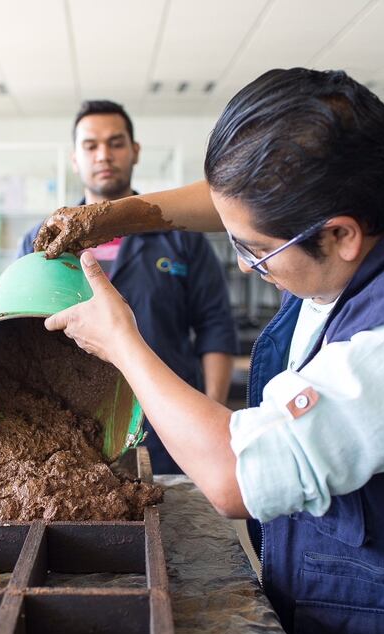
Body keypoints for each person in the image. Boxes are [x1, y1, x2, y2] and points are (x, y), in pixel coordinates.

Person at [37, 68, 384, 634]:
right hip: (347, 603)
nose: (250, 267)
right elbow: (240, 202)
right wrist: (113, 217)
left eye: (256, 252)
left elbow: (234, 477)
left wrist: (123, 343)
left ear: (340, 236)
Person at [17, 100, 238, 474]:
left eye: (116, 143)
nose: (104, 155)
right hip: (73, 425)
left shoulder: (181, 236)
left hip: (168, 421)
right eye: (91, 146)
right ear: (75, 158)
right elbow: (18, 332)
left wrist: (209, 415)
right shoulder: (41, 242)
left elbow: (215, 327)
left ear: (134, 152)